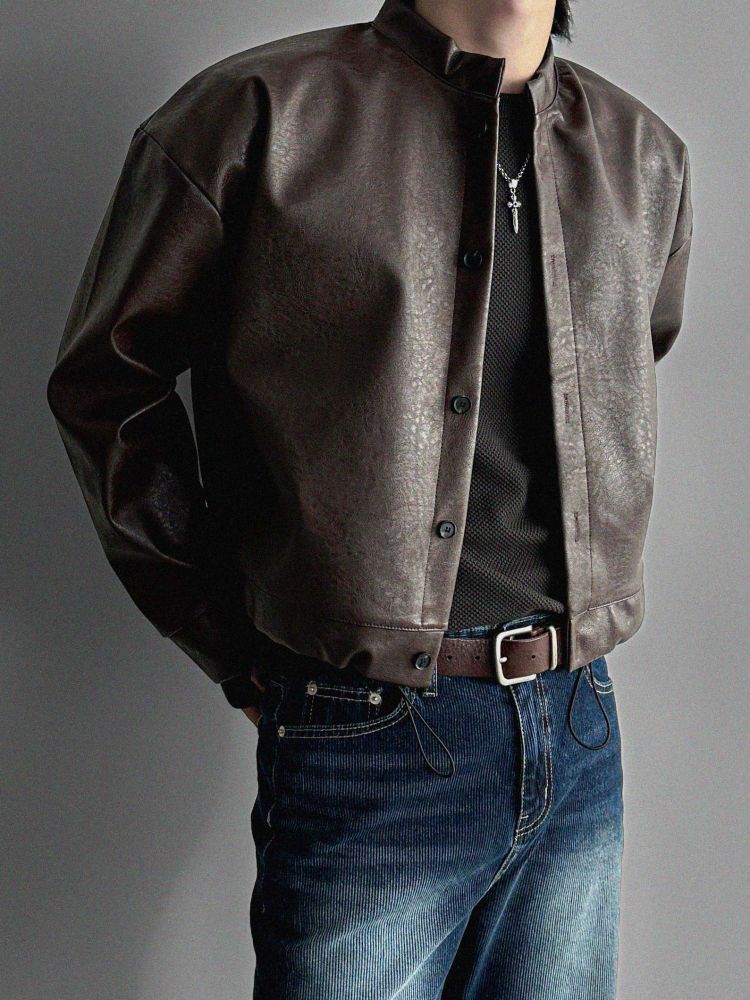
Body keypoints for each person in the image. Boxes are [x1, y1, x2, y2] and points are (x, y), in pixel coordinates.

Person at [46, 0, 693, 996]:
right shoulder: (256, 116)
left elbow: (625, 365)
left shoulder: (645, 157)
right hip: (365, 727)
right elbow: (106, 386)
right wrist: (222, 631)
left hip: (578, 722)